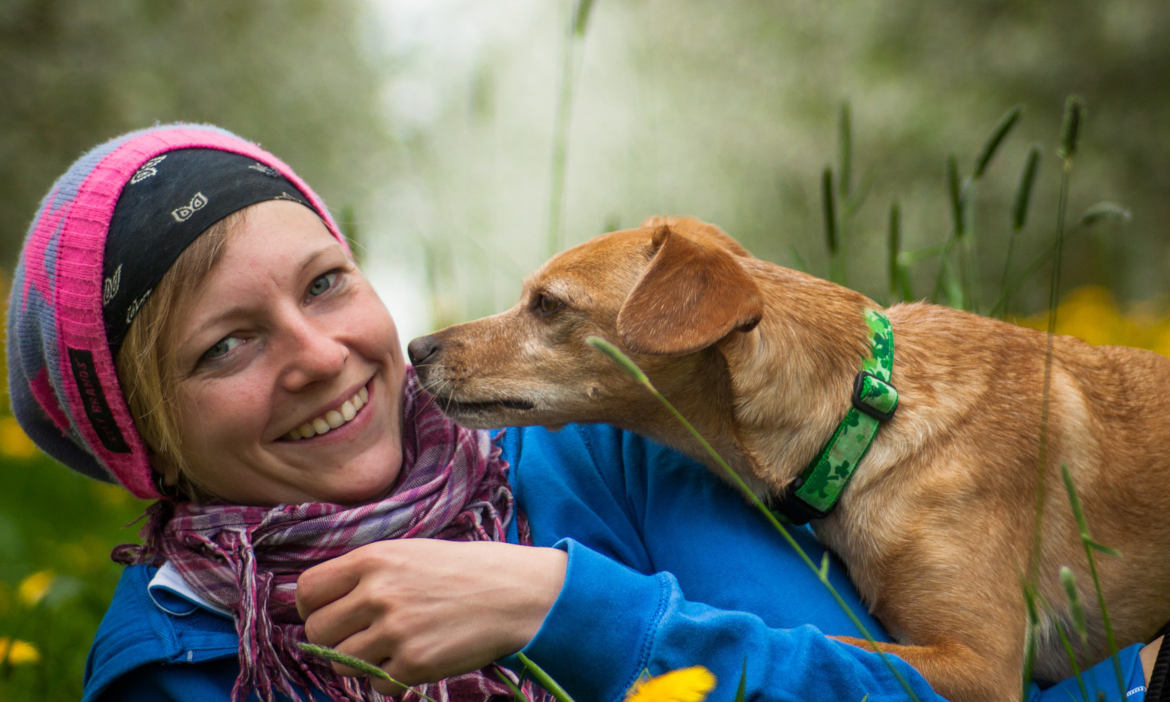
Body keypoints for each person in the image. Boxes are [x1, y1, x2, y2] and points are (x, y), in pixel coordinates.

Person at [5, 123, 1163, 702]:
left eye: (326, 282)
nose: (325, 355)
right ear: (145, 444)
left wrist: (566, 604)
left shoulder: (615, 446)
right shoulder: (170, 661)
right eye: (228, 345)